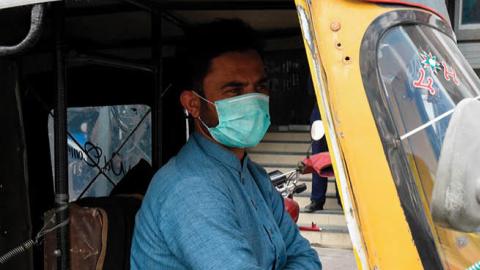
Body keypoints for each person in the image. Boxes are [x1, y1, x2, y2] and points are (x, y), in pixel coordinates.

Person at [130, 19, 321, 269]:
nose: (254, 100)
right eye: (235, 91)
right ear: (193, 104)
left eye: (260, 87)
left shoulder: (254, 175)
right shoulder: (190, 188)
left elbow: (305, 258)